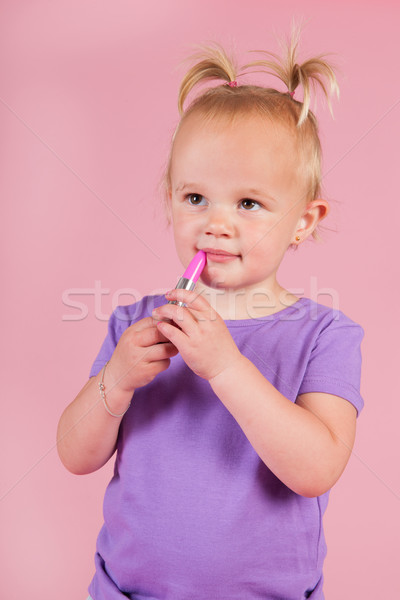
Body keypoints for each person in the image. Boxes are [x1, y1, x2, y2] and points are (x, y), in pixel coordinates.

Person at [57, 28, 364, 600]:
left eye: (248, 203)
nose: (215, 223)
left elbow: (317, 467)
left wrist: (225, 367)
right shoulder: (134, 326)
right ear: (169, 197)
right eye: (195, 198)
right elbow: (75, 455)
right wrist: (116, 380)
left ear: (304, 221)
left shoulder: (325, 335)